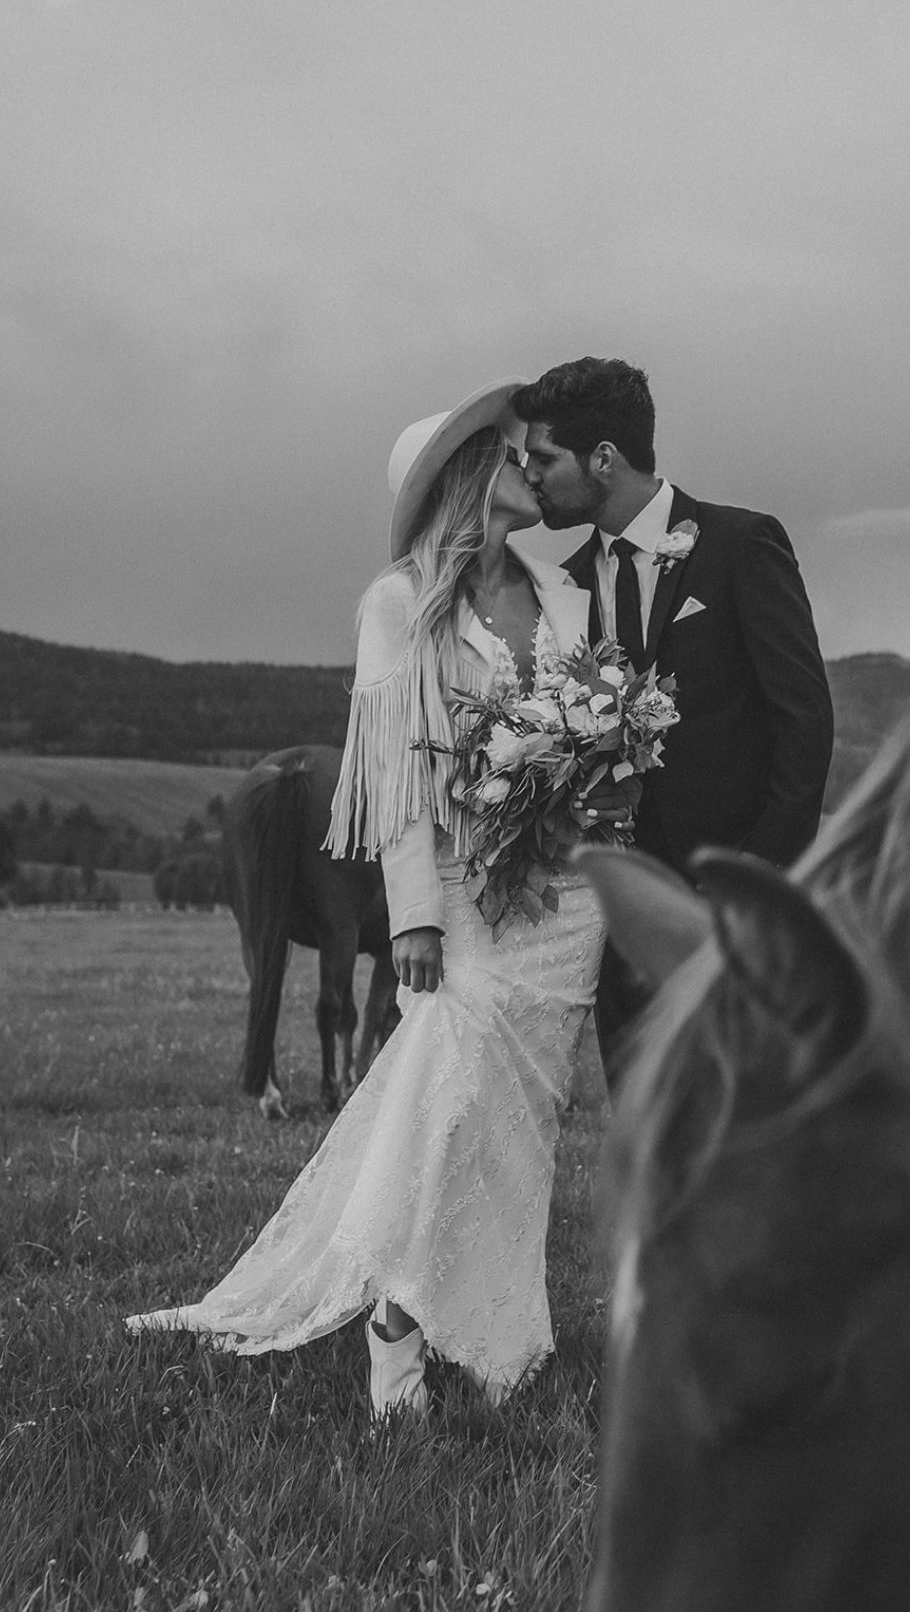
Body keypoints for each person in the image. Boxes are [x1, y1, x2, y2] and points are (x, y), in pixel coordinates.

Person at [128, 378, 606, 1414]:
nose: (529, 462)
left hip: (564, 903)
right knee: (452, 1096)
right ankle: (395, 1317)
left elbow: (581, 738)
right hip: (464, 894)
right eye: (509, 453)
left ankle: (493, 1324)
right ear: (469, 478)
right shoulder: (397, 605)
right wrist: (417, 916)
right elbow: (393, 776)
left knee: (521, 1117)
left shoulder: (561, 597)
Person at [511, 357, 834, 1060]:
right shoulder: (559, 592)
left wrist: (755, 886)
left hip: (737, 906)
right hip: (618, 920)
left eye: (544, 456)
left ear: (603, 458)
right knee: (643, 1119)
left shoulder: (740, 545)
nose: (530, 474)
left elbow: (804, 722)